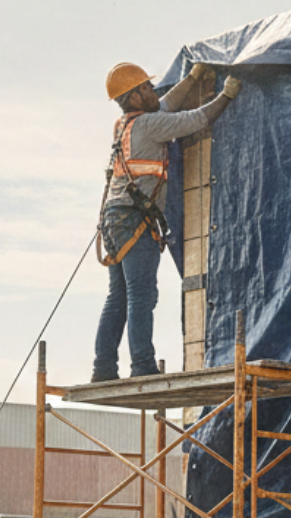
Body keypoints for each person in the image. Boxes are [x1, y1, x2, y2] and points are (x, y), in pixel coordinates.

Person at [92, 60, 242, 382]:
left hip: (115, 219)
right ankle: (142, 365)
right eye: (145, 88)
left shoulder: (125, 124)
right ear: (133, 97)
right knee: (141, 295)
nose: (152, 91)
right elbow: (197, 119)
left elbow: (165, 105)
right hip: (135, 220)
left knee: (118, 295)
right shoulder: (149, 126)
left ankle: (103, 368)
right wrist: (226, 96)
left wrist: (191, 79)